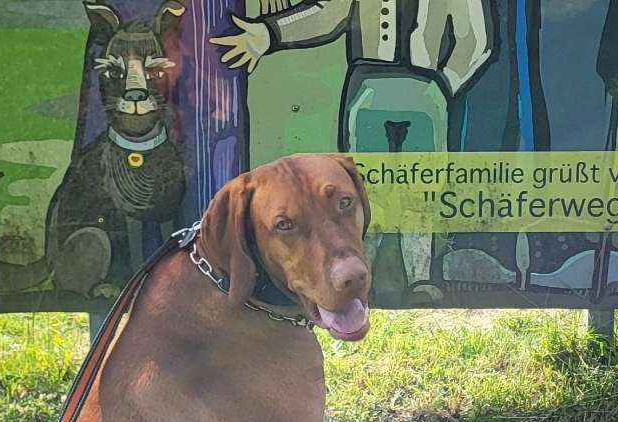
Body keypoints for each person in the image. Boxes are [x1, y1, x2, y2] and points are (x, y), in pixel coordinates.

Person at [211, 0, 496, 304]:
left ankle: (420, 277)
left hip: (426, 90)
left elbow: (475, 41)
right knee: (365, 186)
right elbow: (328, 12)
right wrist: (269, 34)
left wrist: (442, 83)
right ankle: (363, 276)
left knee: (422, 185)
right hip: (368, 87)